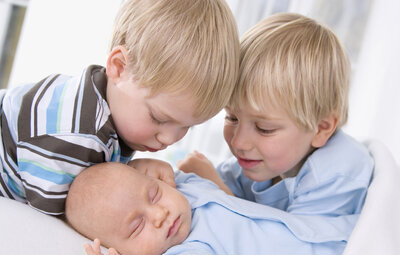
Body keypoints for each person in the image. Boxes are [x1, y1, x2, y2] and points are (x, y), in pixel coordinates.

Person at [0, 0, 239, 217]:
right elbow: (63, 223)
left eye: (187, 126)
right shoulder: (76, 138)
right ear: (119, 67)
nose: (169, 139)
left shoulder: (107, 99)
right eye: (158, 118)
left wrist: (128, 172)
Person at [177, 13, 374, 245]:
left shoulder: (337, 175)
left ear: (321, 129)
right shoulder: (253, 166)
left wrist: (216, 191)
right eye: (232, 117)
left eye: (264, 128)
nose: (239, 142)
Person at [66, 161, 348, 255]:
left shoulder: (186, 192)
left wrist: (146, 163)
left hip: (337, 229)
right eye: (138, 227)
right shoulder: (187, 254)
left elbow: (171, 175)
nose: (159, 214)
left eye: (154, 194)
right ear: (128, 253)